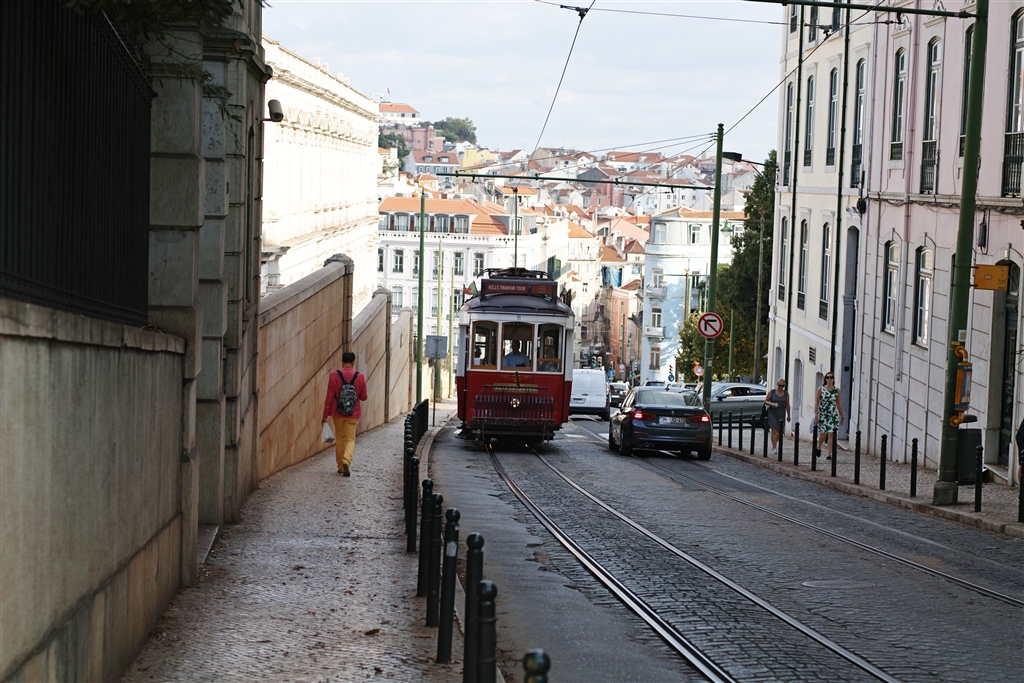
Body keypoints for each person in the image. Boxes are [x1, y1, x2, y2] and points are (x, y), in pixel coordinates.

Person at [322, 351, 368, 476]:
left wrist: (325, 415)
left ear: (342, 361)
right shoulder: (360, 376)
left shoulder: (334, 375)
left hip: (337, 412)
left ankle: (340, 466)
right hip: (353, 413)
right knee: (350, 438)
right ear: (353, 362)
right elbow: (364, 397)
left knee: (340, 438)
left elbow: (329, 397)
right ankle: (346, 459)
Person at [815, 372, 844, 459]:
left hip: (833, 415)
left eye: (831, 377)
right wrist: (816, 416)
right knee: (823, 435)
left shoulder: (837, 390)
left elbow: (838, 403)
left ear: (833, 379)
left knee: (831, 434)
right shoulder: (820, 389)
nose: (829, 379)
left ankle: (828, 454)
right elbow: (816, 403)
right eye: (828, 377)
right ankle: (819, 446)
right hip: (823, 415)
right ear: (825, 379)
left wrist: (842, 416)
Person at [764, 378, 791, 455]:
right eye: (779, 385)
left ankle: (774, 441)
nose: (781, 387)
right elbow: (765, 401)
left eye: (783, 386)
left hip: (781, 413)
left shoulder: (786, 394)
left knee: (779, 432)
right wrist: (771, 404)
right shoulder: (772, 392)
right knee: (774, 430)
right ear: (777, 385)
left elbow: (787, 405)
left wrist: (789, 415)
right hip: (772, 413)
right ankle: (774, 447)